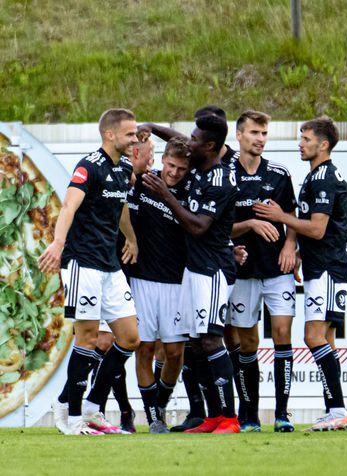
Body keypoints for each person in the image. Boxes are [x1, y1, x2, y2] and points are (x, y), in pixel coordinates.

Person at [39, 108, 141, 436]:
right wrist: (57, 244)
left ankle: (94, 408)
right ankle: (70, 416)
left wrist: (131, 237)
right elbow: (68, 207)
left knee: (129, 338)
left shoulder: (125, 167)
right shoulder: (88, 167)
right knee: (86, 337)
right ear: (109, 135)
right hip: (83, 263)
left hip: (110, 265)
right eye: (129, 134)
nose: (135, 139)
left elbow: (121, 206)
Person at [142, 113, 244, 434]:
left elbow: (199, 227)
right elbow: (177, 137)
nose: (190, 142)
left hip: (212, 268)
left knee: (213, 340)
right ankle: (212, 416)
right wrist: (151, 127)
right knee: (196, 344)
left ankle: (229, 418)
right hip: (194, 269)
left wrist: (166, 195)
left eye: (196, 140)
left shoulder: (220, 178)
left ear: (210, 146)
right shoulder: (201, 166)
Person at [254, 117, 347, 431]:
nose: (301, 143)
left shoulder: (323, 178)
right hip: (322, 265)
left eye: (306, 138)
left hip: (326, 268)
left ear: (323, 145)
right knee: (327, 339)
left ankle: (337, 411)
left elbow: (318, 229)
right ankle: (335, 410)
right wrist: (297, 253)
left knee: (313, 336)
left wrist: (281, 216)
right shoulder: (316, 175)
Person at [226, 110, 299, 433]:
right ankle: (249, 415)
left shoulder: (279, 174)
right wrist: (250, 224)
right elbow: (217, 227)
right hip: (242, 270)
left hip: (277, 267)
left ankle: (282, 413)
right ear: (239, 135)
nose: (260, 139)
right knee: (248, 342)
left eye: (264, 133)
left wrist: (290, 247)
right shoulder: (224, 173)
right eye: (254, 132)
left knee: (283, 333)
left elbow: (292, 215)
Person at [131, 137, 192, 434]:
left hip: (176, 283)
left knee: (174, 353)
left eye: (181, 168)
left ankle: (161, 403)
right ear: (162, 160)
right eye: (170, 165)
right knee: (143, 349)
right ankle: (153, 415)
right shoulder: (144, 182)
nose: (174, 172)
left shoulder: (191, 192)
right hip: (142, 280)